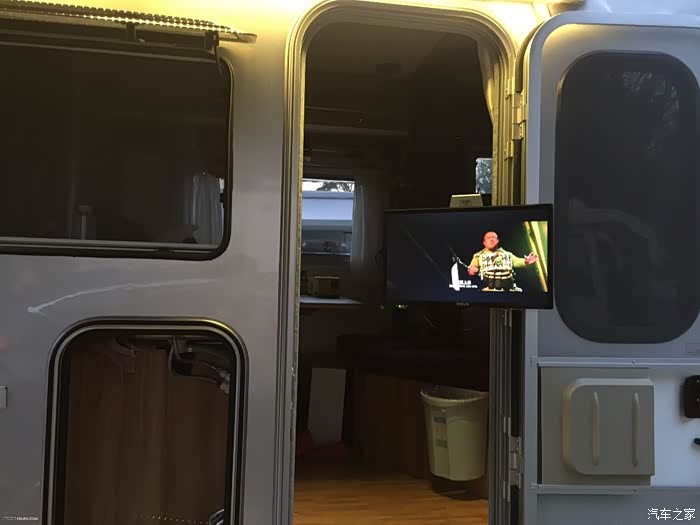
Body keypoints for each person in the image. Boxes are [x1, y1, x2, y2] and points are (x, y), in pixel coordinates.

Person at [466, 231, 538, 292]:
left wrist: (526, 261)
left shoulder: (507, 254)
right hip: (488, 292)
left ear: (497, 241)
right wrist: (472, 270)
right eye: (488, 238)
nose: (491, 239)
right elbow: (471, 268)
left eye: (493, 237)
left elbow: (518, 261)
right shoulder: (478, 256)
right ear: (484, 242)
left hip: (508, 291)